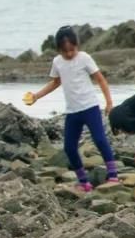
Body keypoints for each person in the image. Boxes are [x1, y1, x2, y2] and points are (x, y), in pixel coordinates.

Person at [24, 26, 118, 192]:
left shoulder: (84, 58)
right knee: (68, 147)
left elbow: (101, 80)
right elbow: (55, 82)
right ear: (58, 49)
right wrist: (36, 96)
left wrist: (109, 102)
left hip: (90, 107)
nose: (68, 54)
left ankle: (113, 176)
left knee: (100, 139)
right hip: (73, 111)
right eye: (64, 51)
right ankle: (83, 181)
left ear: (77, 46)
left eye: (71, 50)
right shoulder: (57, 62)